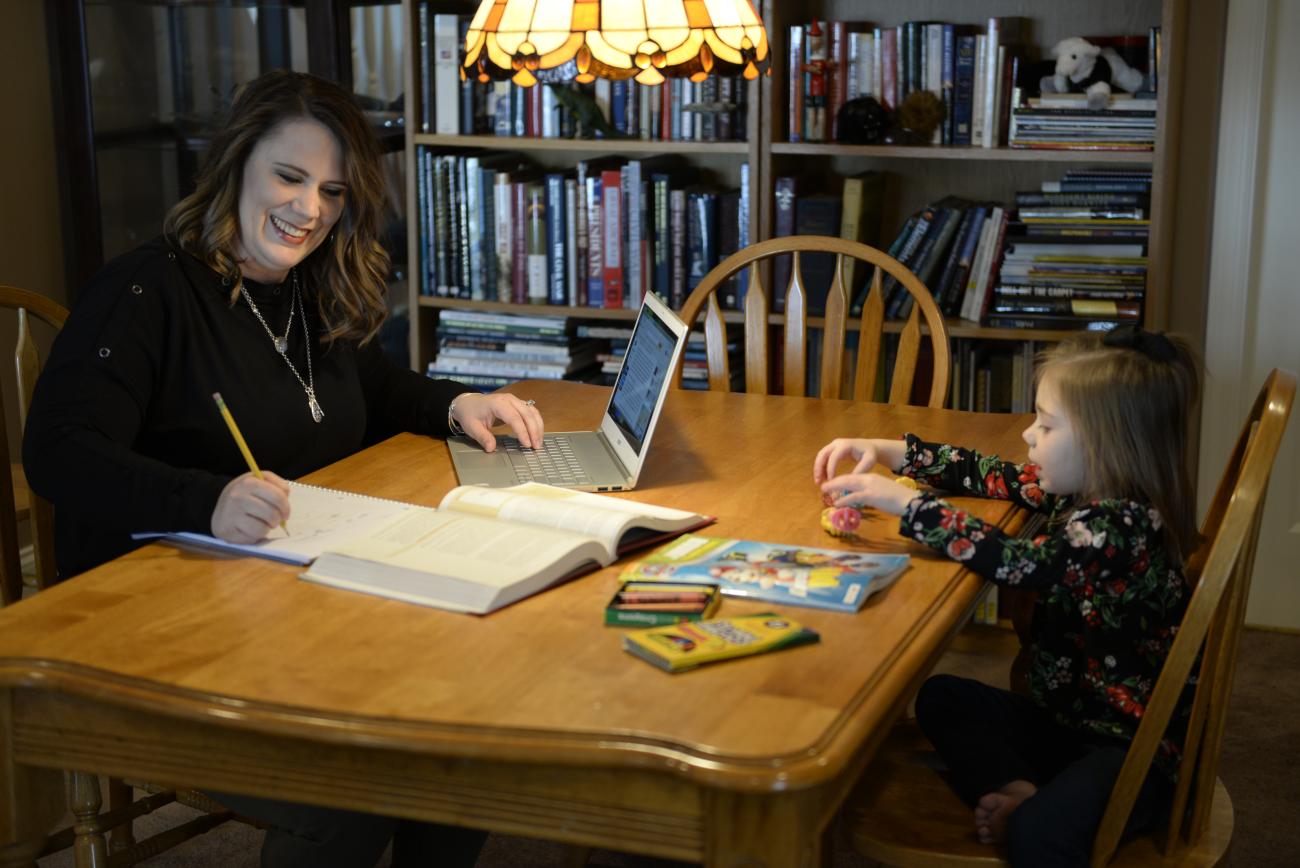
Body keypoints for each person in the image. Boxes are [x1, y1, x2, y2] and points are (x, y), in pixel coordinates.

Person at [22, 69, 542, 867]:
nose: (309, 211)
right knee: (346, 793)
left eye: (332, 192)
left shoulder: (304, 288)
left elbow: (365, 386)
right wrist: (207, 500)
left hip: (283, 607)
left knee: (456, 732)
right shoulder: (142, 291)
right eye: (289, 178)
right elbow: (56, 452)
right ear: (235, 165)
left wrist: (453, 403)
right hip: (153, 631)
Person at [812, 326, 1201, 867]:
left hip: (1130, 751)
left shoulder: (1121, 527)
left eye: (1045, 424)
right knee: (942, 697)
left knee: (1039, 836)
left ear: (1104, 443)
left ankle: (1031, 805)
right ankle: (1018, 787)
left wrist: (909, 508)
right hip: (1067, 721)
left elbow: (1021, 566)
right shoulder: (1085, 485)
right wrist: (884, 451)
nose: (1027, 435)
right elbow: (986, 473)